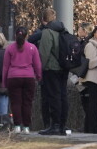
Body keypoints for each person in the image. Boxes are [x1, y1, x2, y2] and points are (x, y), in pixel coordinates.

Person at [30, 8, 70, 136]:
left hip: (51, 69)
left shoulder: (48, 32)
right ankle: (62, 125)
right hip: (64, 68)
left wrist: (39, 70)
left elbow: (44, 53)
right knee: (63, 96)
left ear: (43, 20)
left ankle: (55, 125)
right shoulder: (64, 30)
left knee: (53, 97)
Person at [3, 26, 42, 134]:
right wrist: (38, 76)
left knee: (15, 103)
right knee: (27, 102)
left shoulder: (10, 48)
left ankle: (17, 126)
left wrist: (4, 82)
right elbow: (37, 65)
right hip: (29, 77)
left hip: (13, 77)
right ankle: (26, 127)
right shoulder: (32, 48)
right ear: (26, 36)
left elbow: (5, 66)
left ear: (15, 35)